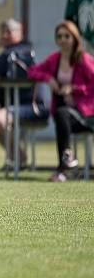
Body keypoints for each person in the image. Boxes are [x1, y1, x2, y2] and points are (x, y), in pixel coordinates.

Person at [28, 21, 94, 182]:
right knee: (60, 114)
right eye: (59, 36)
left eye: (67, 36)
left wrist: (74, 88)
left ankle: (64, 167)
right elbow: (32, 72)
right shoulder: (54, 59)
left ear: (74, 38)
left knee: (61, 114)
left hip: (85, 113)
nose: (63, 39)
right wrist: (48, 78)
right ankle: (66, 165)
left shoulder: (83, 59)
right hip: (64, 113)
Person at [0, 19, 36, 169]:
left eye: (9, 31)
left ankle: (19, 158)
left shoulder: (21, 52)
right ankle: (17, 158)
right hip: (14, 106)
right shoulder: (8, 52)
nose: (4, 35)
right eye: (3, 32)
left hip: (32, 107)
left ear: (20, 32)